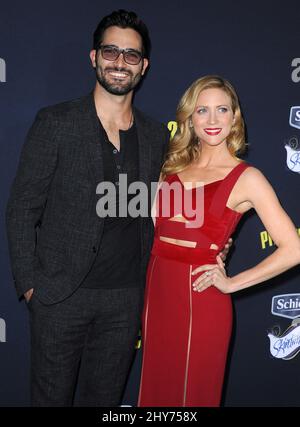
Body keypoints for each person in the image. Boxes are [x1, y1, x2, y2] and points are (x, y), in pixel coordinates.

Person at [5, 9, 169, 407]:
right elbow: (22, 208)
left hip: (125, 299)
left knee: (106, 402)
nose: (119, 62)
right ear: (93, 57)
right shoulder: (56, 123)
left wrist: (212, 243)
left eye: (131, 55)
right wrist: (31, 286)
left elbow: (167, 208)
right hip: (60, 296)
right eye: (110, 51)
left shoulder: (155, 135)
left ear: (143, 67)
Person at [138, 75, 300, 407]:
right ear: (189, 118)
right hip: (156, 297)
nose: (212, 120)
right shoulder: (169, 168)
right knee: (156, 396)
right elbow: (154, 232)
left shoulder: (248, 178)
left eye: (221, 109)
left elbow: (293, 248)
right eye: (202, 111)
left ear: (234, 116)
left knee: (192, 397)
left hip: (202, 301)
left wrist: (233, 283)